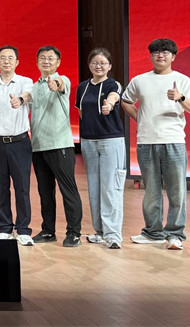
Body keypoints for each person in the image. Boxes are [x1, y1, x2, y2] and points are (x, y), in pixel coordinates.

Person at [121, 38, 190, 251]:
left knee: (177, 191)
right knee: (151, 190)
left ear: (173, 56)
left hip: (173, 142)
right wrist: (140, 118)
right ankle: (153, 233)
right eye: (156, 52)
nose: (160, 55)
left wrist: (180, 98)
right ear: (151, 56)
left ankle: (175, 235)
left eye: (165, 52)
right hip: (146, 142)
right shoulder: (140, 80)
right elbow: (125, 100)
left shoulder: (183, 80)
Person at [28, 46, 84, 247]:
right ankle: (48, 231)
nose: (46, 61)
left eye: (50, 58)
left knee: (68, 190)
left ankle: (74, 233)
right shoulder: (33, 87)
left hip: (59, 144)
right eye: (42, 58)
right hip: (38, 146)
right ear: (37, 62)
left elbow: (60, 84)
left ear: (58, 62)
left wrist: (56, 84)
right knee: (45, 192)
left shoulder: (63, 80)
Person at [0, 45, 35, 246]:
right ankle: (4, 228)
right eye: (3, 58)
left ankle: (23, 230)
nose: (6, 61)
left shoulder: (25, 82)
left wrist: (20, 100)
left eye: (10, 58)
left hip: (20, 142)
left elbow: (28, 95)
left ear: (17, 62)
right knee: (0, 186)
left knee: (22, 187)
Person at [76, 47, 126, 249]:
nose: (98, 66)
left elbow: (114, 96)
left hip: (110, 140)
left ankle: (113, 235)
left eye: (103, 63)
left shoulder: (113, 84)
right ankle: (100, 231)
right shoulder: (82, 87)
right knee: (94, 187)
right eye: (95, 63)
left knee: (110, 187)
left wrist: (109, 105)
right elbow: (81, 112)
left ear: (109, 66)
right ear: (89, 65)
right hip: (88, 141)